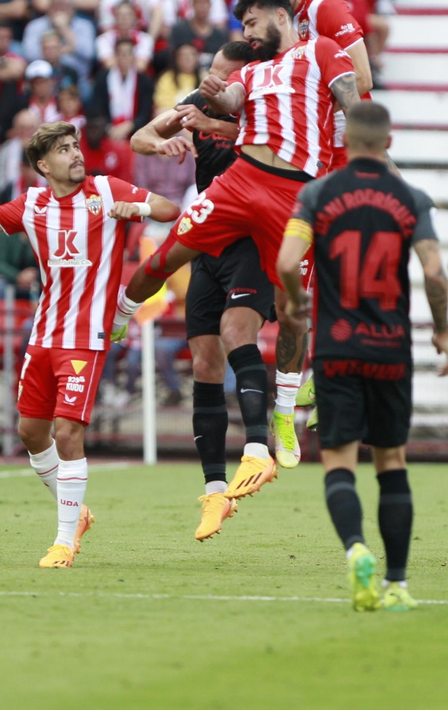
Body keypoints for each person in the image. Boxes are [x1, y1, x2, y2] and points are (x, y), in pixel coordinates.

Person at [108, 0, 362, 476]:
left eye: (251, 21)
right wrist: (209, 98)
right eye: (242, 24)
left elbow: (352, 98)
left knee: (293, 308)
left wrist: (370, 153)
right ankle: (123, 312)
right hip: (240, 182)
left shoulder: (322, 51)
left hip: (295, 197)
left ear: (280, 15)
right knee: (164, 259)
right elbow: (227, 100)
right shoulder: (250, 72)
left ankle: (284, 414)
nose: (246, 31)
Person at [0, 122, 180, 568]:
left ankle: (63, 542)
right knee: (30, 431)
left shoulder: (104, 188)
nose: (76, 154)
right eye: (64, 149)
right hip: (43, 335)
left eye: (76, 145)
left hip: (86, 339)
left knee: (67, 432)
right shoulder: (33, 204)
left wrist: (131, 209)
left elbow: (168, 208)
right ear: (43, 165)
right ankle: (75, 513)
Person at [272, 101, 448, 611]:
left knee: (339, 463)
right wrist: (441, 332)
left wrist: (294, 297)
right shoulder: (411, 199)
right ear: (389, 143)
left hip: (337, 348)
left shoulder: (317, 194)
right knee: (392, 461)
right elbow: (436, 275)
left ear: (346, 142)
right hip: (390, 350)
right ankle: (396, 583)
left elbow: (288, 261)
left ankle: (355, 550)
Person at [129, 41, 299, 538]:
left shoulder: (270, 113)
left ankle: (258, 449)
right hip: (208, 241)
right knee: (204, 360)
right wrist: (161, 143)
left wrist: (214, 125)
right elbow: (140, 136)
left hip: (253, 241)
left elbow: (278, 150)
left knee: (235, 331)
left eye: (222, 78)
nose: (212, 85)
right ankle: (214, 492)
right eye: (210, 75)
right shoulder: (200, 103)